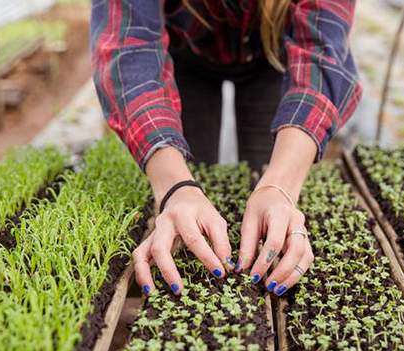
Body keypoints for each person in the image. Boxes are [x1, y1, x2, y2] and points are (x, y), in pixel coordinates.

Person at [91, 0, 362, 296]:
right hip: (185, 54)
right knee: (189, 202)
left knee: (270, 204)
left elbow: (323, 53)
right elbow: (129, 46)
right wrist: (175, 188)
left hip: (271, 56)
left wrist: (280, 187)